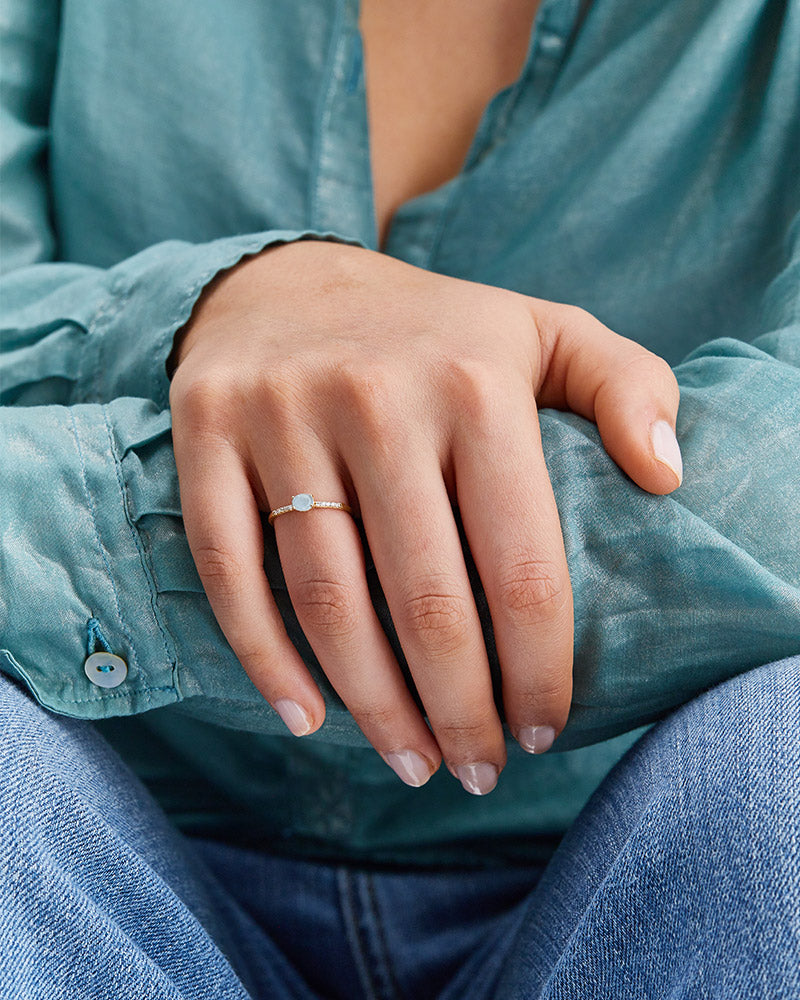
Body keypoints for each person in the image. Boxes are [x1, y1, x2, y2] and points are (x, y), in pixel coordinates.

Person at [1, 0, 798, 997]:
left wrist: (146, 538)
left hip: (639, 869)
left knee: (783, 758)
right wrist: (233, 298)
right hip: (100, 845)